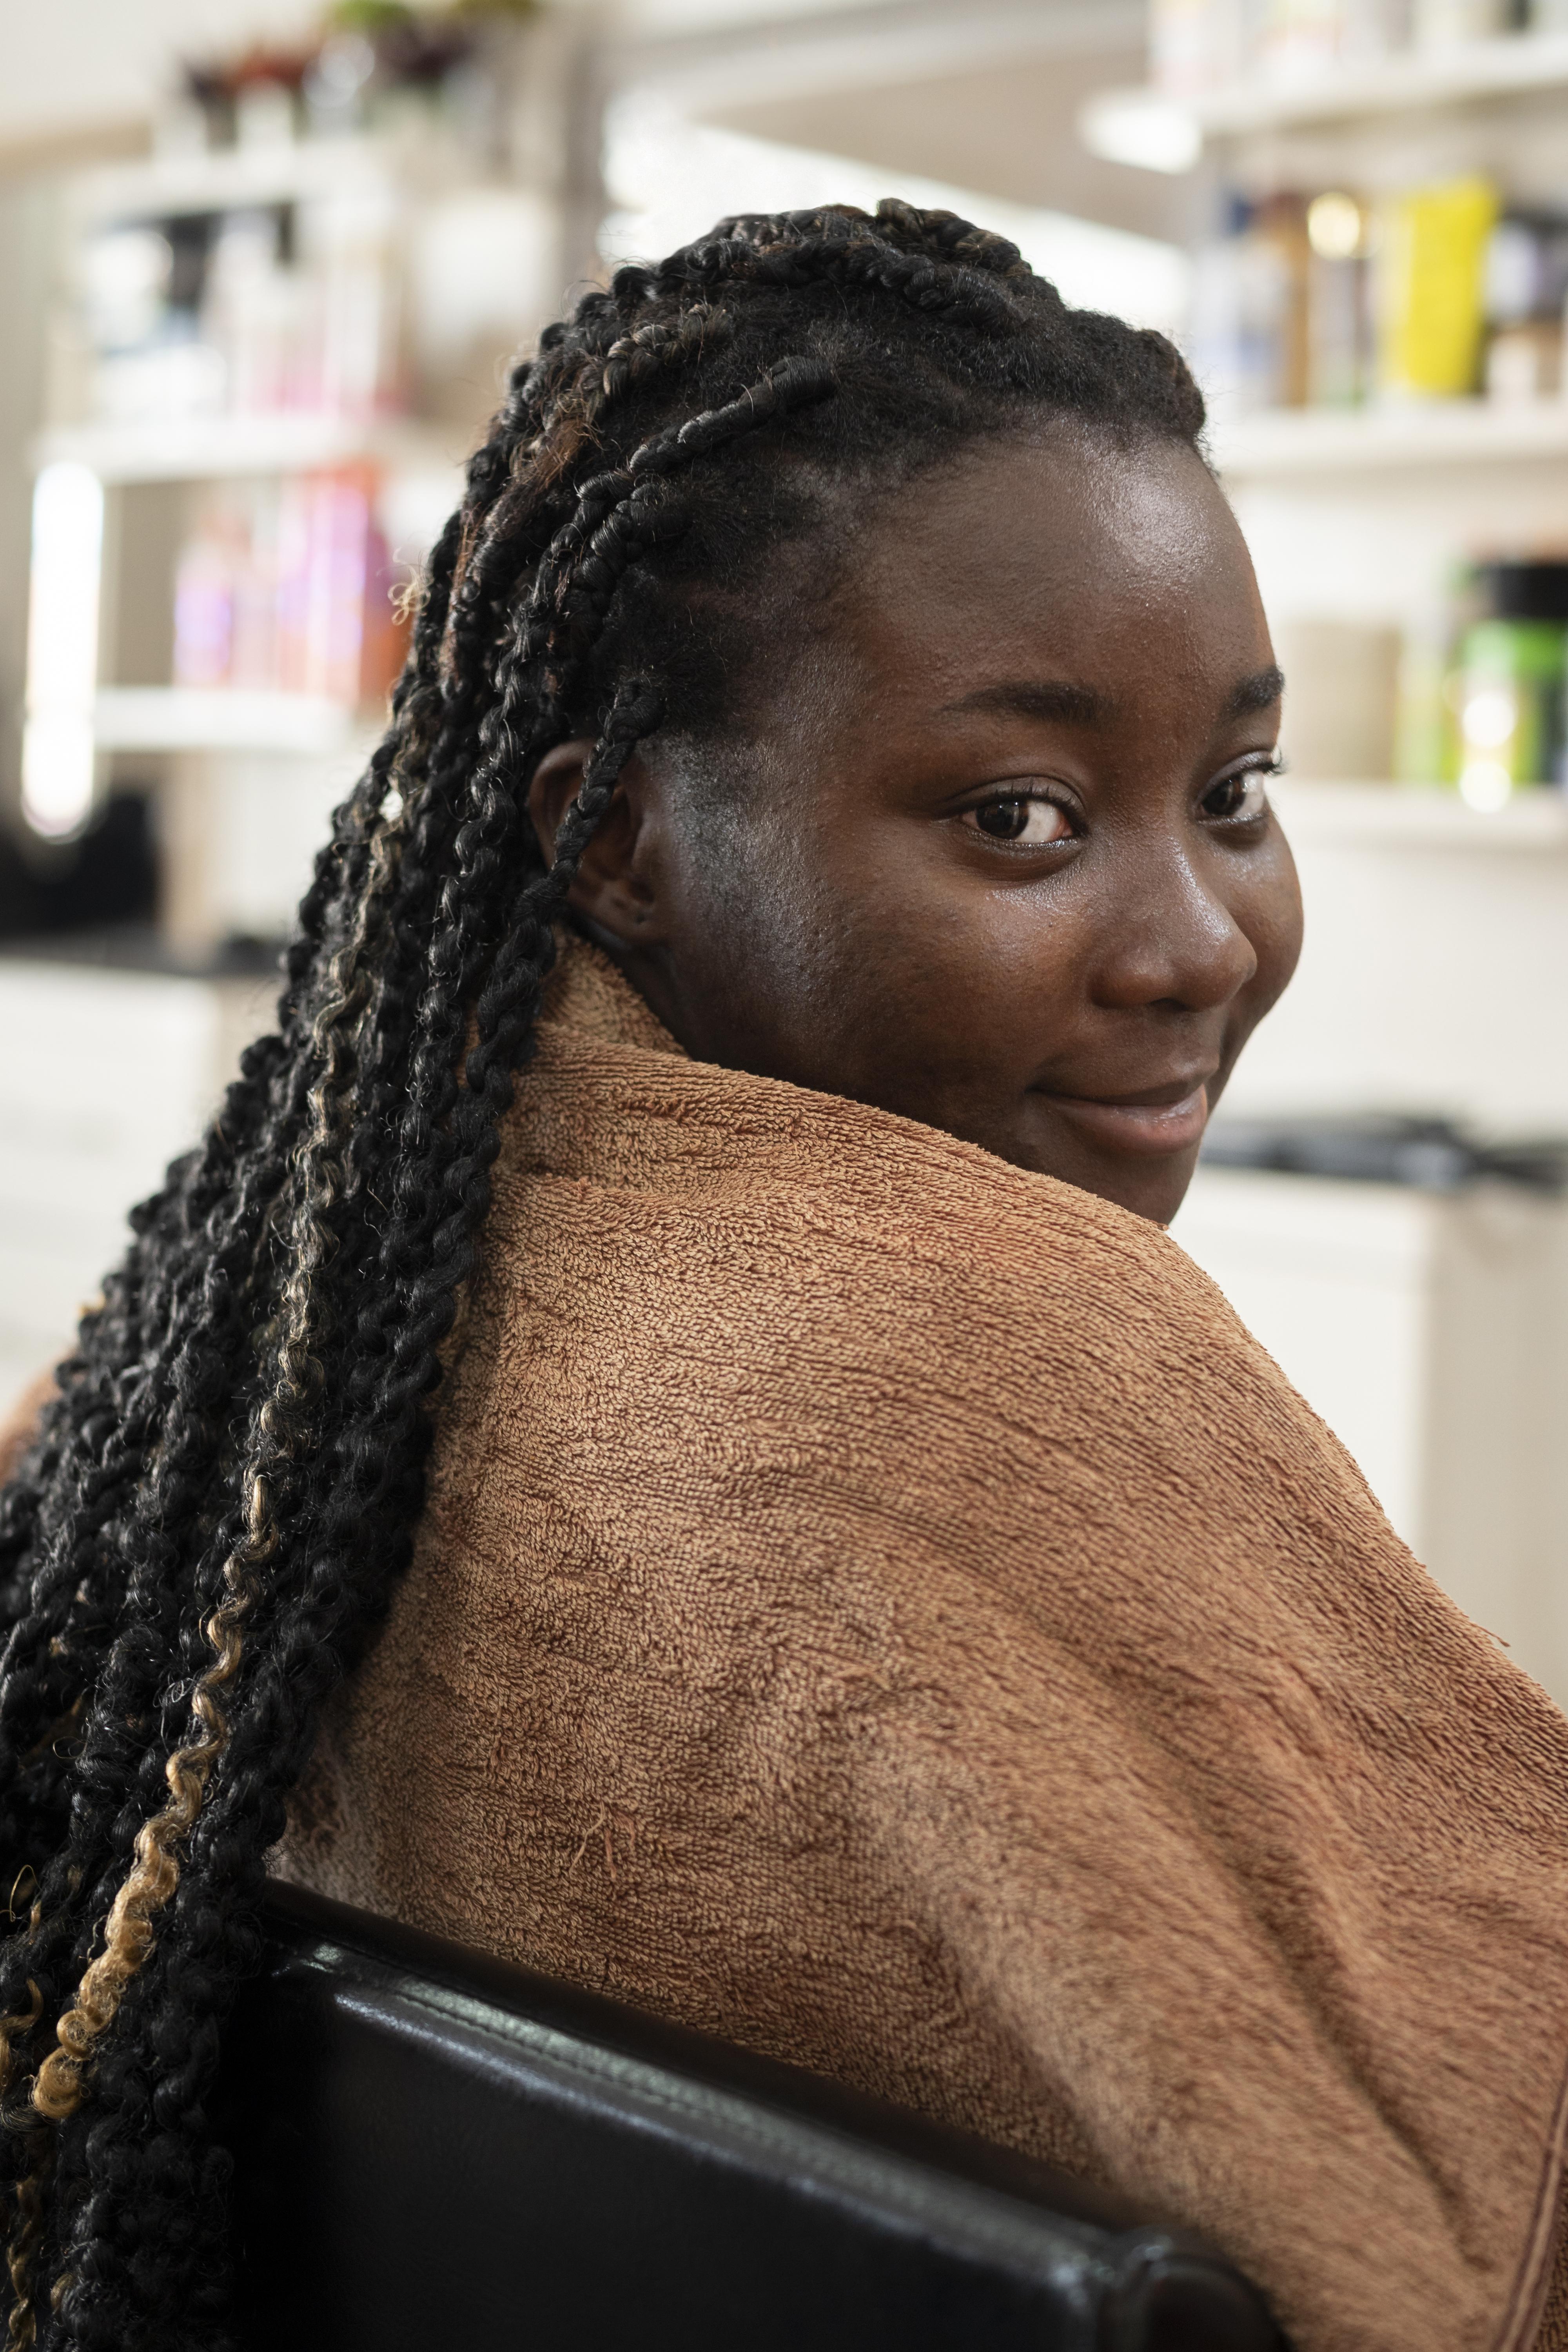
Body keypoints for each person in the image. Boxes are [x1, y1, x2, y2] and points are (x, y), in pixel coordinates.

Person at [1, 202, 1565, 2352]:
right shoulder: (984, 1371)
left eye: (1235, 792)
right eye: (1017, 816)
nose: (1201, 937)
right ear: (621, 834)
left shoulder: (274, 1307)